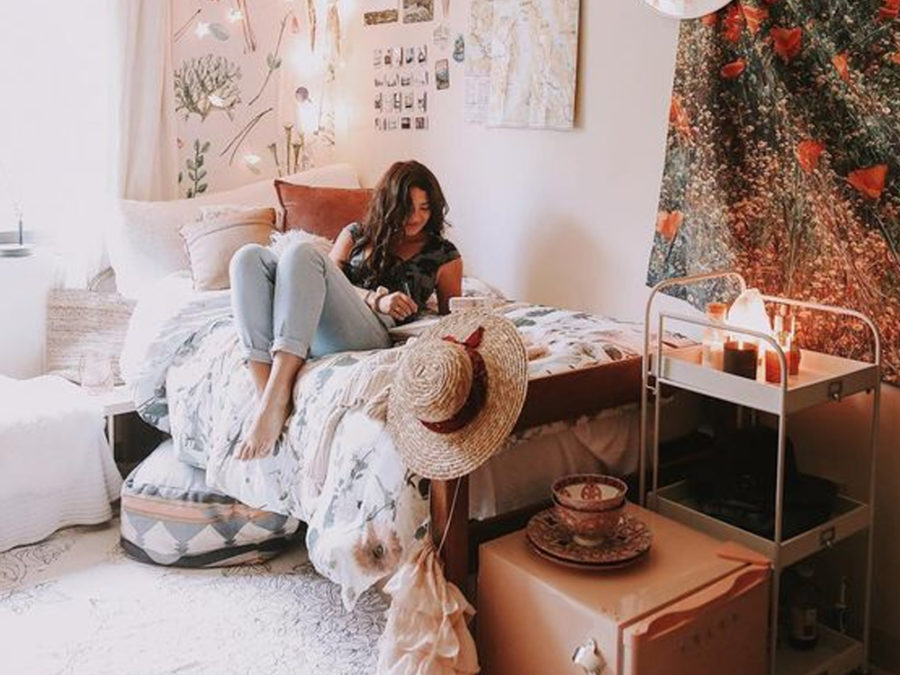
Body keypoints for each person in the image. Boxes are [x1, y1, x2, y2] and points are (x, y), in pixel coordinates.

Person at [228, 160, 463, 460]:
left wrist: (393, 309)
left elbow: (453, 315)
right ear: (389, 204)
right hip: (307, 323)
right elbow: (322, 280)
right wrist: (375, 298)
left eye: (425, 208)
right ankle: (268, 398)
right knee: (247, 257)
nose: (416, 217)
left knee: (302, 253)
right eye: (407, 207)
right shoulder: (355, 234)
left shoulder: (443, 254)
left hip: (371, 332)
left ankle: (275, 395)